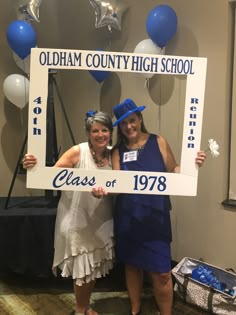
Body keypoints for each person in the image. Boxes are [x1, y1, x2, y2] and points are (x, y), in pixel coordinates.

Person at [111, 98, 206, 315]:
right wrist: (100, 190)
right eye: (123, 124)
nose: (129, 127)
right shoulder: (118, 151)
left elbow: (173, 169)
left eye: (132, 120)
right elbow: (115, 185)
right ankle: (135, 309)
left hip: (156, 216)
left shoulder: (158, 141)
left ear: (140, 119)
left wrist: (194, 164)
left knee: (162, 272)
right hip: (128, 217)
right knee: (132, 265)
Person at [22, 110, 114, 315]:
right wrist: (32, 165)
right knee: (83, 270)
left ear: (111, 131)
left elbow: (120, 184)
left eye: (104, 130)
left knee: (92, 269)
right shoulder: (77, 151)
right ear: (88, 133)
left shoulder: (112, 154)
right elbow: (50, 176)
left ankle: (86, 305)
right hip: (78, 220)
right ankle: (80, 310)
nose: (100, 134)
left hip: (100, 220)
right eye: (95, 130)